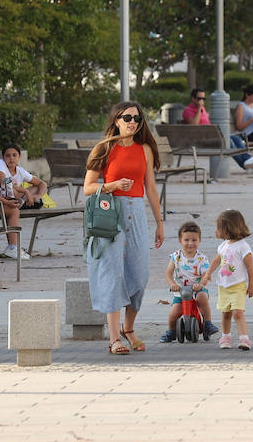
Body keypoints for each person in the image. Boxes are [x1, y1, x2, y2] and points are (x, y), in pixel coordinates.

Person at [82, 101, 165, 355]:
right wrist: (112, 184)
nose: (132, 122)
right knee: (112, 272)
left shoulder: (145, 149)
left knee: (139, 275)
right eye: (127, 117)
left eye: (137, 119)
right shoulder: (104, 148)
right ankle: (114, 337)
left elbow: (150, 187)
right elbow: (87, 188)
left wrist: (159, 222)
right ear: (116, 120)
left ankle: (129, 328)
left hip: (137, 212)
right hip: (111, 212)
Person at [203, 209, 253, 351]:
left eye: (220, 228)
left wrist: (251, 285)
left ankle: (244, 338)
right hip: (224, 286)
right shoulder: (224, 245)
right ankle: (226, 336)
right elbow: (216, 259)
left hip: (238, 285)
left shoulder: (243, 246)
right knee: (225, 313)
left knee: (238, 312)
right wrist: (208, 273)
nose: (218, 231)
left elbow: (250, 267)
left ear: (229, 228)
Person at [160, 221, 218, 342]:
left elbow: (206, 275)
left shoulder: (201, 258)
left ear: (199, 241)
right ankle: (171, 331)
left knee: (202, 297)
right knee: (174, 312)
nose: (190, 243)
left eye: (194, 240)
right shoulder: (176, 257)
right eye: (186, 240)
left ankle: (207, 323)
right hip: (180, 291)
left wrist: (201, 284)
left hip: (197, 289)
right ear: (180, 241)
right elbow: (168, 273)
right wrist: (172, 284)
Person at [0, 143, 48, 260]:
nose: (11, 158)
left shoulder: (20, 170)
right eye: (7, 156)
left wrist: (37, 196)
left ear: (19, 157)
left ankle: (24, 202)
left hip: (9, 199)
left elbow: (42, 184)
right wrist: (26, 193)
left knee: (34, 188)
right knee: (14, 208)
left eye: (14, 155)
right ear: (3, 158)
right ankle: (13, 248)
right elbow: (5, 184)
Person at [185, 87, 253, 170]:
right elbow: (194, 125)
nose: (202, 101)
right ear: (193, 99)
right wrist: (199, 108)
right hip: (200, 140)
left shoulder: (203, 109)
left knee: (236, 139)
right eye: (199, 98)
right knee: (227, 140)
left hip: (210, 136)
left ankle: (247, 158)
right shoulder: (188, 110)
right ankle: (244, 162)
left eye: (203, 98)